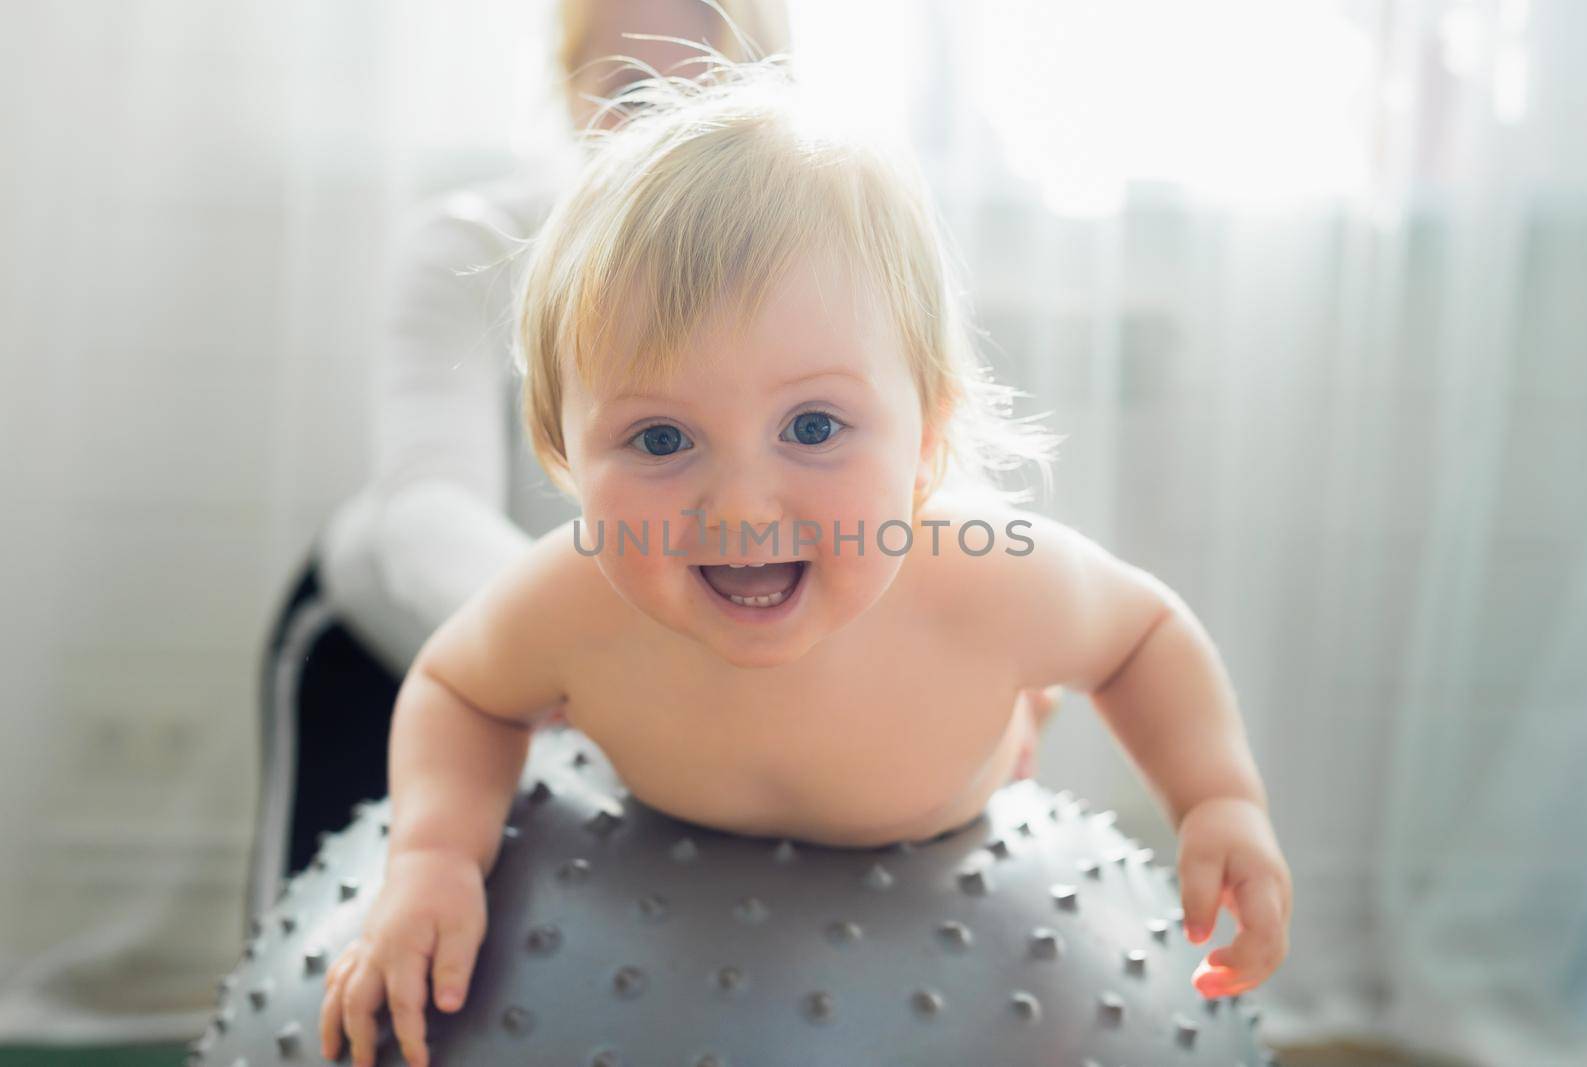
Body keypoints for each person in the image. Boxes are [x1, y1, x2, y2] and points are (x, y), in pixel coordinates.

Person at [316, 61, 1294, 1067]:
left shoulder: (989, 572)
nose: (741, 507)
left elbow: (1141, 633)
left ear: (926, 438)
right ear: (562, 454)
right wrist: (433, 855)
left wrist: (1216, 796)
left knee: (997, 685)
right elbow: (456, 685)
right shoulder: (568, 598)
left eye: (814, 424)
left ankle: (1013, 713)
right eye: (658, 439)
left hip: (947, 756)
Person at [247, 0, 796, 919]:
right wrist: (606, 654)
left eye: (705, 88)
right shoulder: (472, 246)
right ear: (568, 95)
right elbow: (425, 509)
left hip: (671, 636)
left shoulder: (818, 255)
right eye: (628, 92)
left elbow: (902, 454)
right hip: (401, 629)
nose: (664, 128)